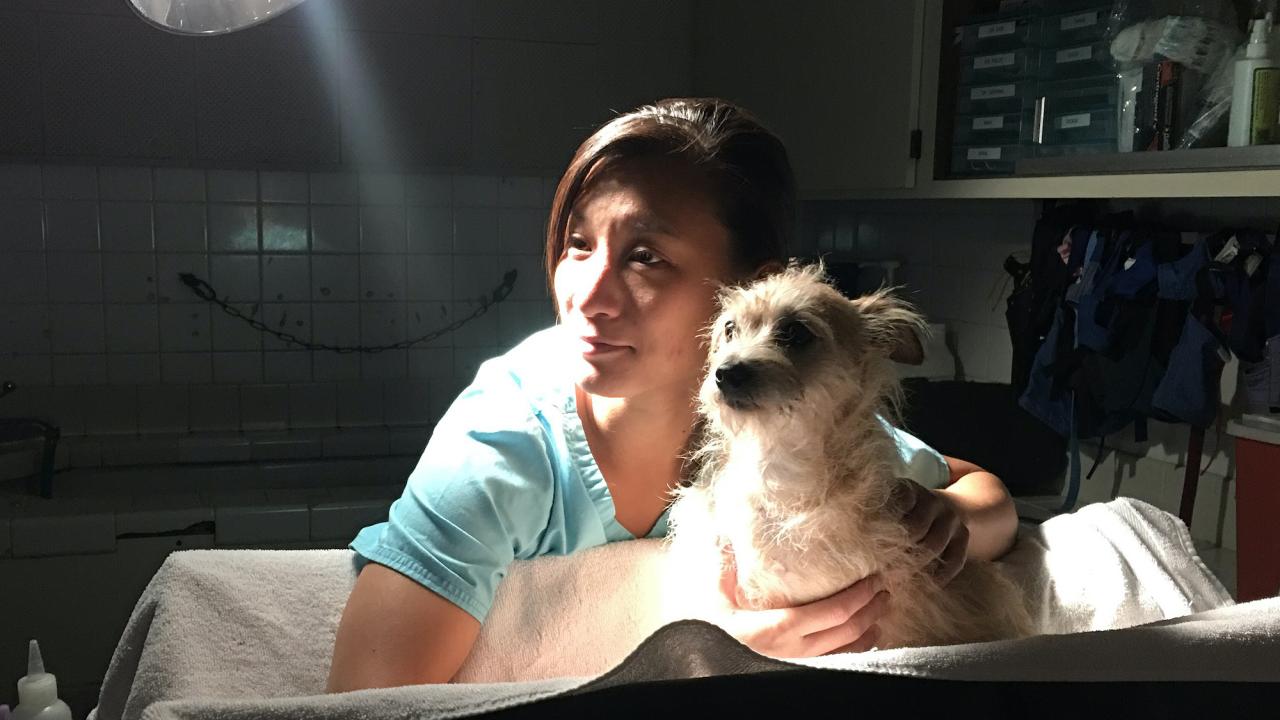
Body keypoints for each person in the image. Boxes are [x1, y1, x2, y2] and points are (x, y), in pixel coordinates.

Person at [326, 98, 1019, 691]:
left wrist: (948, 520)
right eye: (577, 244)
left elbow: (983, 493)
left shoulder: (780, 422)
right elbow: (366, 700)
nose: (586, 299)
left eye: (644, 257)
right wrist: (707, 660)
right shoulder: (505, 445)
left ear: (756, 286)